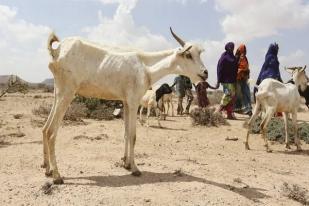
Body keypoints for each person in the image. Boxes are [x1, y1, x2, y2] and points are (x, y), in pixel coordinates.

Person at [216, 42, 238, 119]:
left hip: (233, 80)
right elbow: (219, 69)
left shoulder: (234, 57)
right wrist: (218, 80)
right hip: (226, 80)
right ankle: (218, 111)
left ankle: (229, 114)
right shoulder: (224, 57)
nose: (232, 48)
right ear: (227, 47)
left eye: (233, 47)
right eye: (230, 47)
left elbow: (236, 69)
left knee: (232, 97)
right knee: (227, 95)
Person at [234, 44, 252, 116]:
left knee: (247, 94)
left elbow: (247, 67)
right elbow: (234, 68)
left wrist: (247, 72)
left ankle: (248, 110)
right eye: (243, 50)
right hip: (237, 79)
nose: (244, 51)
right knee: (238, 94)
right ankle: (238, 109)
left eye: (245, 50)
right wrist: (241, 70)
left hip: (245, 78)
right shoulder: (236, 58)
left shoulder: (245, 58)